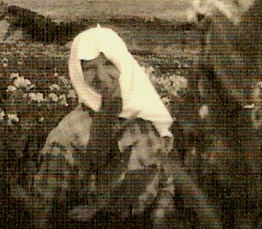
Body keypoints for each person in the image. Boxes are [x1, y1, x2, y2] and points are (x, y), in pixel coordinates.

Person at [17, 26, 179, 228]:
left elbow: (165, 184)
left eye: (109, 63)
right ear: (78, 73)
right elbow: (44, 213)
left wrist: (159, 218)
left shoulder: (147, 123)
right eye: (89, 68)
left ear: (124, 64)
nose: (101, 77)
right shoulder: (67, 137)